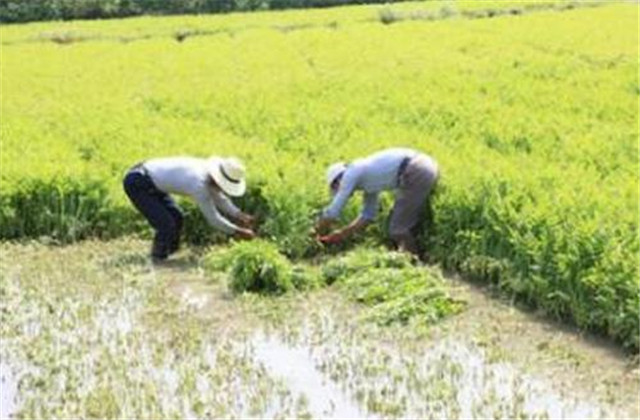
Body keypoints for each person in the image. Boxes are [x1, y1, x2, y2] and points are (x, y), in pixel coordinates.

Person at [123, 156, 256, 261]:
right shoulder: (198, 184)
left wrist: (239, 214)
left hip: (151, 180)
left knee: (177, 217)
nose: (222, 189)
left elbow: (220, 198)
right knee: (166, 225)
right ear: (218, 179)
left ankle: (170, 253)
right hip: (137, 182)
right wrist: (238, 231)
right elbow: (213, 219)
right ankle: (157, 261)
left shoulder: (208, 173)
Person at [315, 147, 439, 256]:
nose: (339, 191)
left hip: (416, 169)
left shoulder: (352, 172)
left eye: (336, 188)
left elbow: (333, 212)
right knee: (401, 221)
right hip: (421, 167)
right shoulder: (367, 182)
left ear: (339, 180)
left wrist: (314, 233)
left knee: (398, 229)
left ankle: (413, 264)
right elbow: (368, 216)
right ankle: (411, 256)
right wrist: (342, 234)